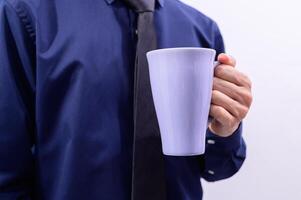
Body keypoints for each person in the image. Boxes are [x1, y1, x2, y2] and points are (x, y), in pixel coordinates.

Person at [0, 0, 253, 199]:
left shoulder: (202, 29)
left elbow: (220, 167)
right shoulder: (25, 13)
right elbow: (6, 175)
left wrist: (225, 129)